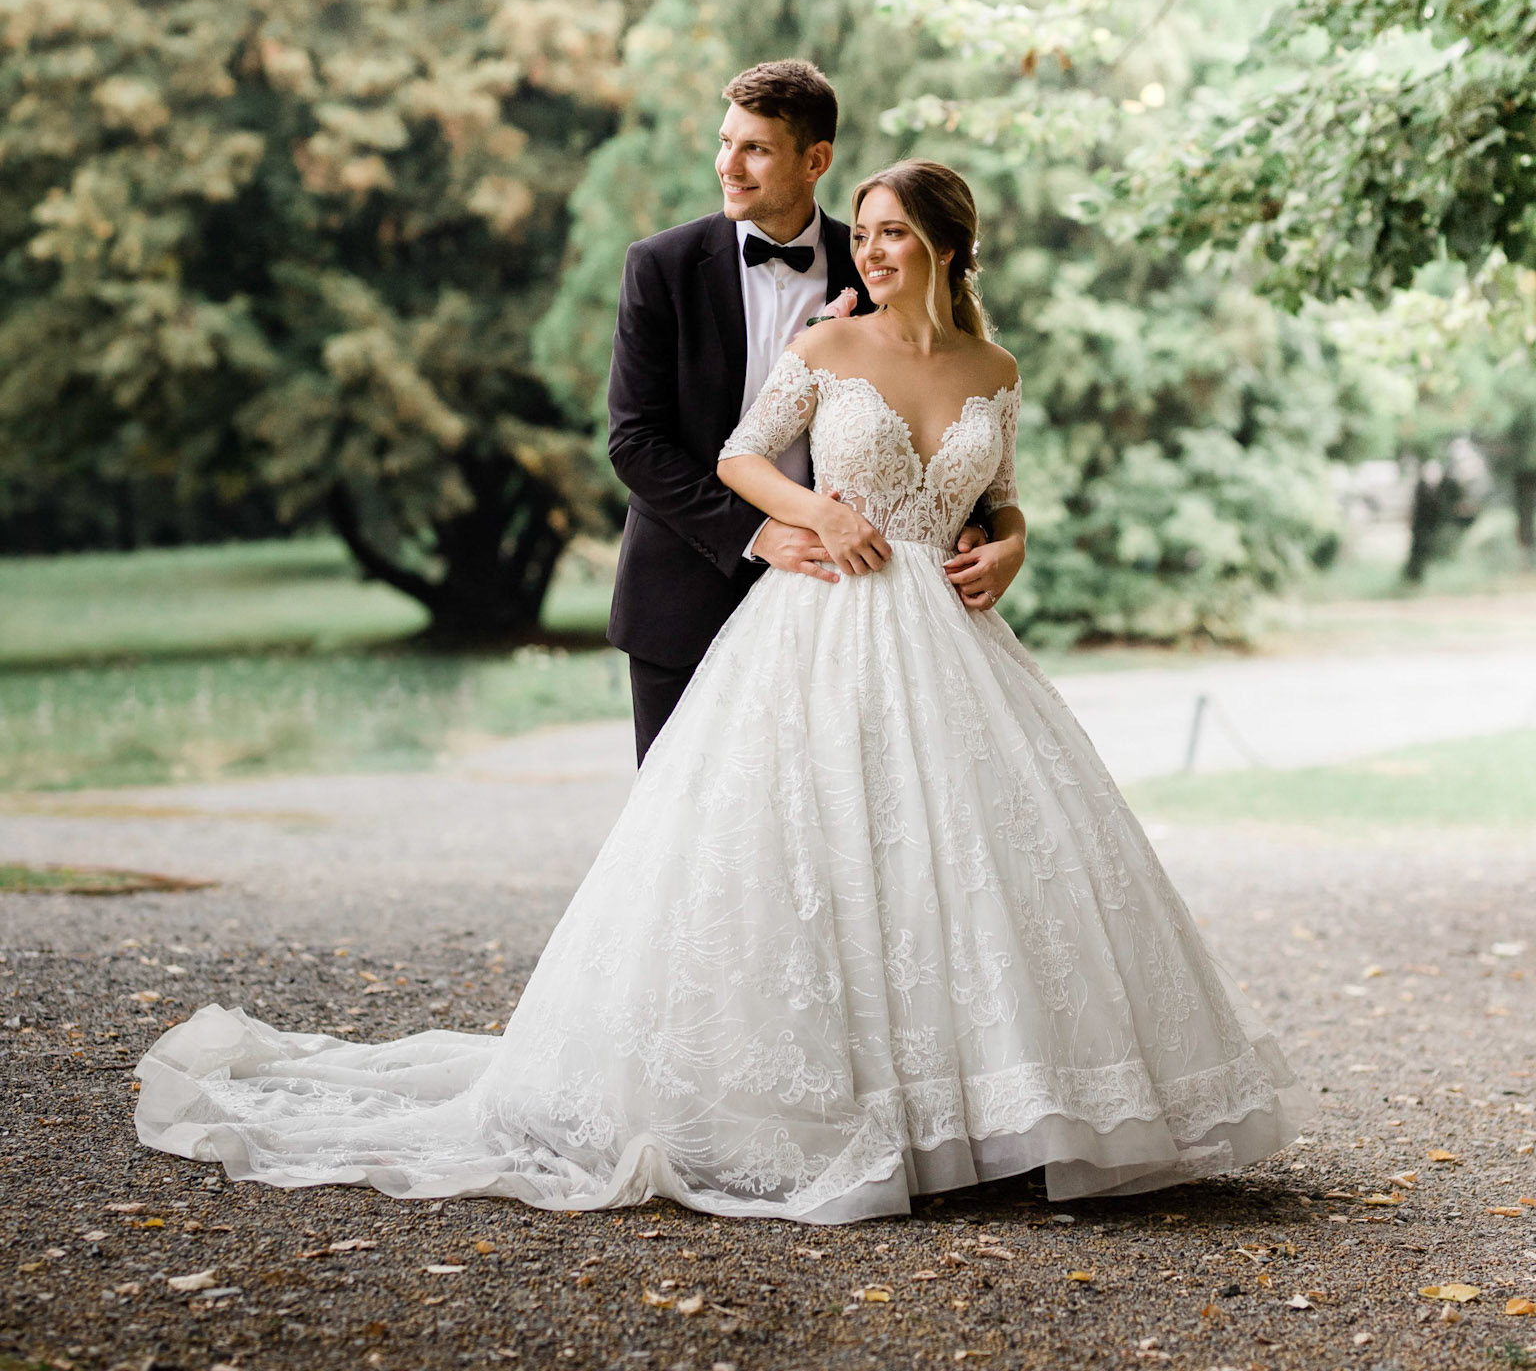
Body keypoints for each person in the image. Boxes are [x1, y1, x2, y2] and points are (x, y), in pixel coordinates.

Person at [134, 158, 1306, 1221]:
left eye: (893, 232)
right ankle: (834, 1110)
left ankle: (991, 1118)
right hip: (821, 620)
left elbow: (998, 496)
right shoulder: (829, 347)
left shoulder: (994, 370)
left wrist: (1014, 545)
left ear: (948, 245)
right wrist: (813, 512)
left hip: (953, 646)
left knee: (970, 867)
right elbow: (740, 454)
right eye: (863, 229)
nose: (871, 248)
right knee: (811, 861)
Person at [605, 56, 986, 762]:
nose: (729, 165)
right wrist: (760, 534)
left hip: (846, 604)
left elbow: (942, 413)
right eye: (725, 142)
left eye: (755, 149)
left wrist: (985, 530)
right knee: (688, 816)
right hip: (685, 597)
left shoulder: (875, 261)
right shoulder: (660, 266)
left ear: (816, 160)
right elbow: (635, 444)